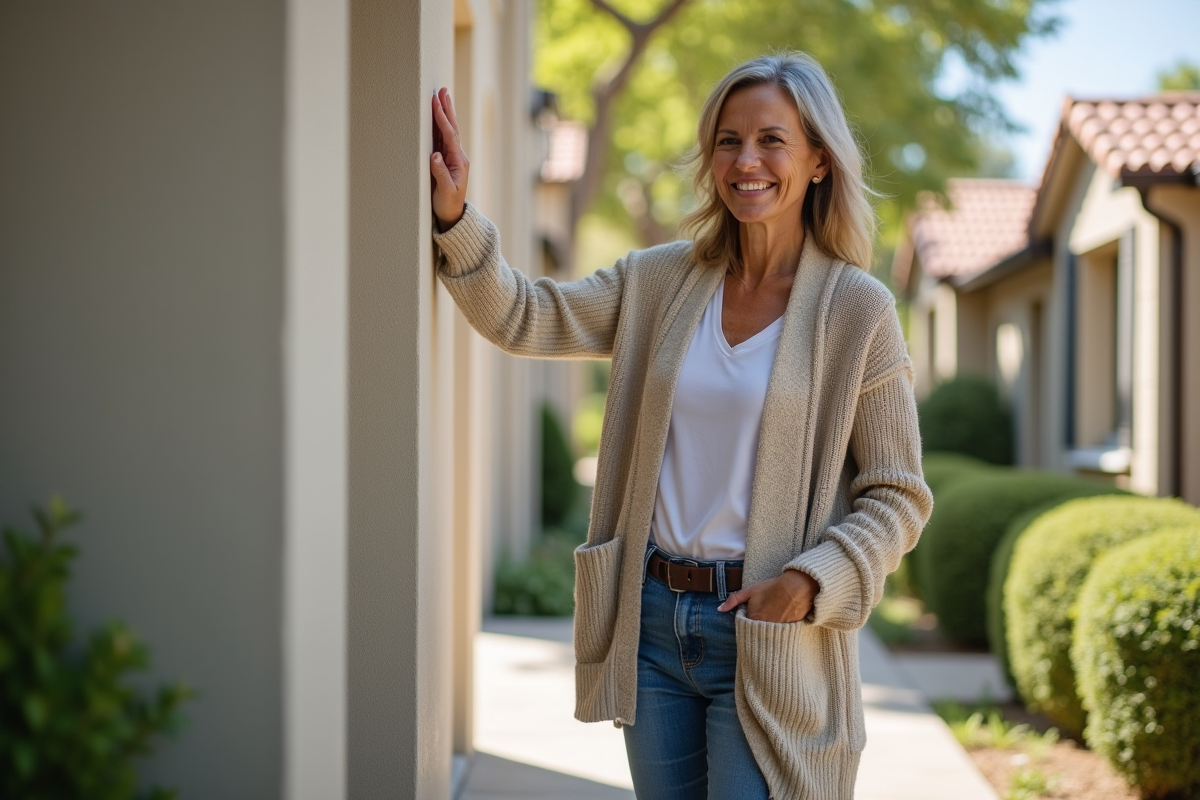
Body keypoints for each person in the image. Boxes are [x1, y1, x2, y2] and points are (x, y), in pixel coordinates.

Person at [430, 51, 932, 800]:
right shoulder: (659, 280)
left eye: (772, 140)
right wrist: (455, 218)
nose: (746, 161)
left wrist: (808, 581)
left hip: (769, 631)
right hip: (654, 624)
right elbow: (525, 316)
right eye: (729, 141)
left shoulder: (858, 311)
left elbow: (899, 494)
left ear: (819, 161)